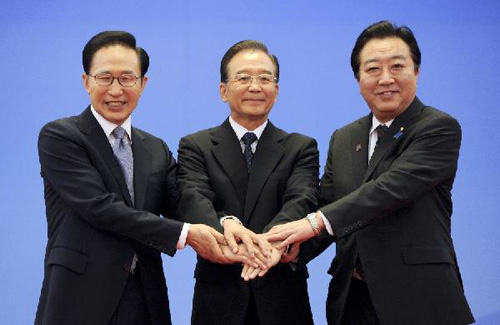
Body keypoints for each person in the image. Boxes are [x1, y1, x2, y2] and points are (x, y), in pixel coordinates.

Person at [35, 30, 251, 325]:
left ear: (142, 84)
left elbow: (183, 200)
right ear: (86, 81)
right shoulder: (61, 136)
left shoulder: (154, 147)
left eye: (126, 78)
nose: (115, 90)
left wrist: (223, 224)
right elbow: (99, 206)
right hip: (80, 297)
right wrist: (186, 234)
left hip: (145, 298)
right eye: (104, 78)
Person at [266, 21, 475, 325]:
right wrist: (290, 249)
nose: (385, 79)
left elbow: (388, 190)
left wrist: (312, 223)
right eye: (373, 69)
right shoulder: (345, 137)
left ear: (416, 71)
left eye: (397, 66)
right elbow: (328, 204)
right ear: (358, 78)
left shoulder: (437, 127)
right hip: (353, 299)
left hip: (420, 299)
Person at [176, 40, 319, 325]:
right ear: (223, 90)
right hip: (218, 295)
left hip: (282, 294)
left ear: (276, 91)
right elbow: (193, 197)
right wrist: (227, 225)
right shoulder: (197, 145)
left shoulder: (300, 147)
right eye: (243, 78)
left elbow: (302, 200)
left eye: (265, 78)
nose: (255, 86)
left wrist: (264, 246)